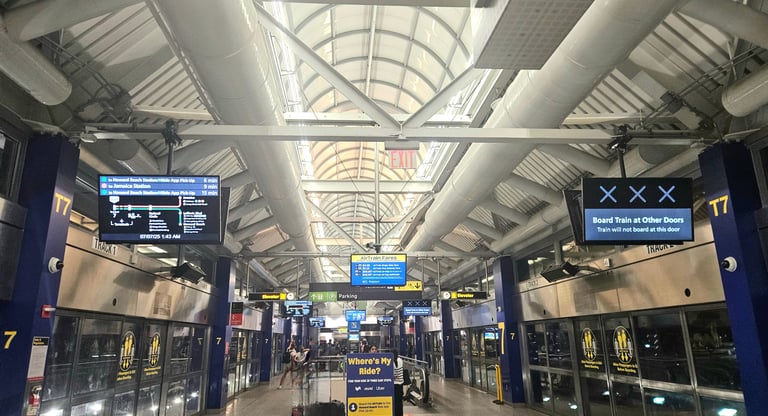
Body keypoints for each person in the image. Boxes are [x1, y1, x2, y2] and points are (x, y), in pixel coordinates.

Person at [393, 349, 404, 416]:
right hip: (400, 384)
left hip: (394, 385)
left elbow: (393, 376)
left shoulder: (391, 362)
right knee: (400, 402)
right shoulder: (400, 360)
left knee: (395, 402)